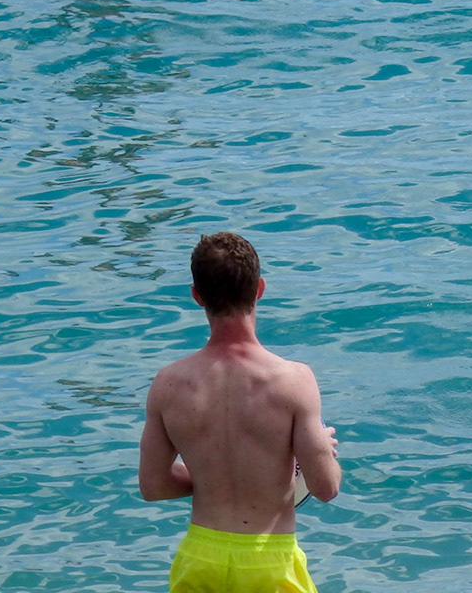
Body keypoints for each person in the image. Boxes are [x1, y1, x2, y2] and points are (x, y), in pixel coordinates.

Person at [139, 233, 341, 593]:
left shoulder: (168, 384)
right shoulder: (293, 381)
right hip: (271, 563)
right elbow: (326, 487)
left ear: (197, 295)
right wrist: (320, 453)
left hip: (200, 558)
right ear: (259, 289)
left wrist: (211, 477)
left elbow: (153, 486)